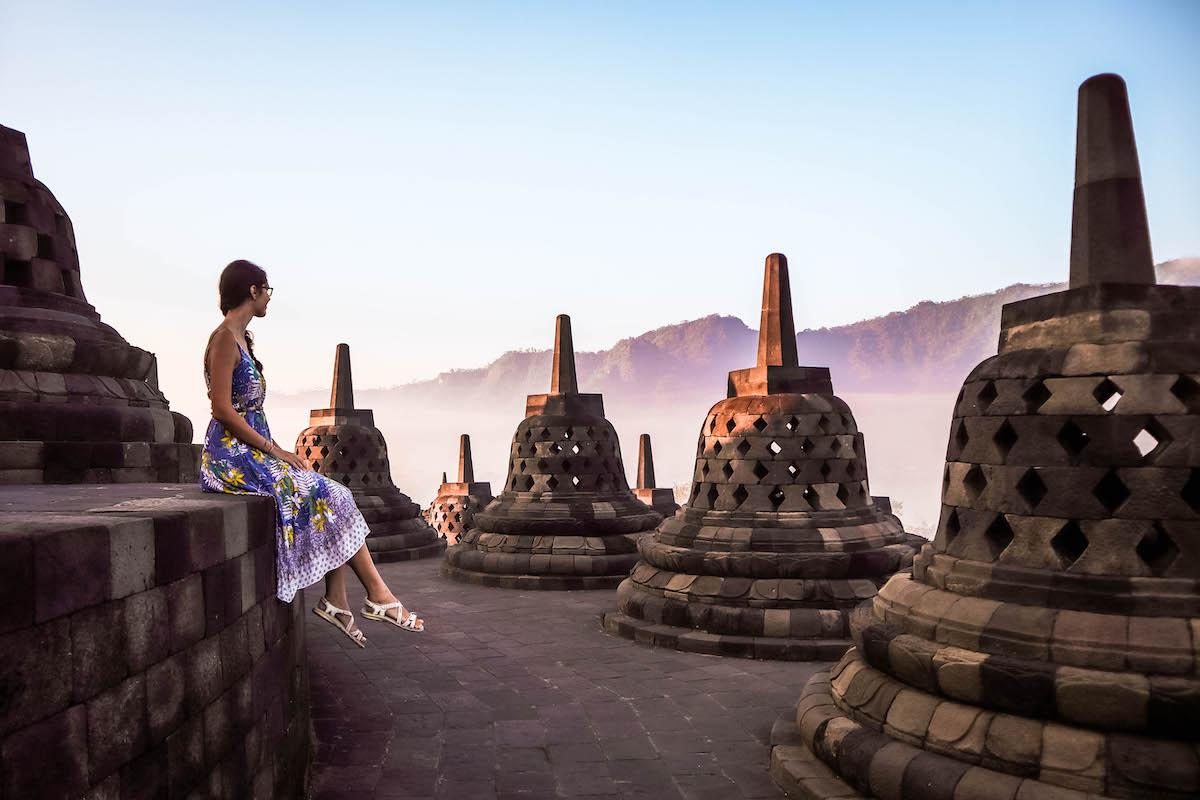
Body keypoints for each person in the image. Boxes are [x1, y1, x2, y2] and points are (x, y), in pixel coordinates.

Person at [200, 259, 423, 645]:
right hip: (231, 458)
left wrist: (276, 451)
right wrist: (276, 451)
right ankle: (377, 595)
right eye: (267, 289)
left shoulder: (242, 340)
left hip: (253, 450)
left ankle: (341, 599)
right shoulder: (223, 339)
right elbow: (221, 408)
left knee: (330, 493)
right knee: (329, 493)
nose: (269, 297)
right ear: (252, 291)